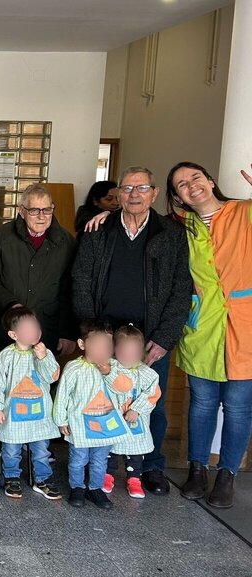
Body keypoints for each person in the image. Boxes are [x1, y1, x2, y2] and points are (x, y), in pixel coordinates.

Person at [72, 166, 191, 496]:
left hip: (149, 339)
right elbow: (80, 281)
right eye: (127, 189)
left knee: (151, 404)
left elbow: (182, 290)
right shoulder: (98, 229)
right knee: (101, 402)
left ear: (154, 194)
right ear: (118, 195)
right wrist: (93, 333)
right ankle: (103, 465)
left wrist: (164, 339)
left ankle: (151, 466)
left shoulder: (172, 234)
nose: (134, 195)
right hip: (105, 337)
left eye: (142, 189)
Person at [166, 161, 252, 509]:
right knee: (202, 405)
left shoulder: (244, 212)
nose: (191, 186)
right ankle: (197, 469)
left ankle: (227, 474)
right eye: (182, 184)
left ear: (211, 180)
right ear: (177, 197)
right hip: (201, 328)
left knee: (238, 407)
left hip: (244, 326)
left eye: (195, 178)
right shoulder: (180, 226)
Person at [0, 183, 77, 366]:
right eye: (34, 210)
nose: (41, 216)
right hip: (2, 331)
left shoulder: (66, 242)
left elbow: (69, 291)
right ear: (21, 211)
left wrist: (67, 332)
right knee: (0, 389)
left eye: (47, 209)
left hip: (45, 333)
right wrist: (12, 305)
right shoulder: (0, 238)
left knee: (40, 390)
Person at [0, 307, 62, 501]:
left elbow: (52, 377)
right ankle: (12, 477)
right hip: (13, 414)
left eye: (35, 327)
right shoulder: (6, 357)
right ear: (13, 334)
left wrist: (43, 357)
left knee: (41, 450)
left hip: (40, 414)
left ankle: (43, 479)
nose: (34, 332)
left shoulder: (44, 353)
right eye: (27, 329)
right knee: (11, 449)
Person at [54, 319, 119, 510]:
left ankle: (95, 488)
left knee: (100, 460)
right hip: (79, 425)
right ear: (83, 344)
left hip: (105, 424)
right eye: (97, 344)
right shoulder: (74, 368)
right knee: (78, 459)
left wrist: (109, 373)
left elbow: (124, 389)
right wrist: (61, 419)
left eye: (107, 345)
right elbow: (63, 394)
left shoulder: (113, 366)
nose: (103, 349)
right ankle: (77, 487)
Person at [103, 325, 160, 500]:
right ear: (115, 350)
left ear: (141, 352)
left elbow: (153, 394)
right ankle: (107, 475)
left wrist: (136, 409)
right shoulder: (109, 367)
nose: (129, 356)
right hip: (113, 418)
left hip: (136, 422)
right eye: (124, 351)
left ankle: (134, 478)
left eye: (134, 352)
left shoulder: (147, 373)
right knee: (109, 449)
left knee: (135, 453)